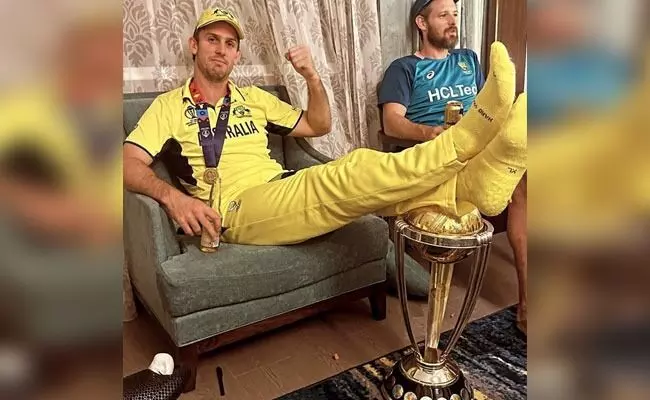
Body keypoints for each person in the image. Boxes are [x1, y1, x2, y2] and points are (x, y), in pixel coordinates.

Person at [123, 8, 526, 264]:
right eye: (212, 39)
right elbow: (126, 162)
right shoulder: (168, 106)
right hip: (233, 209)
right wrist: (174, 198)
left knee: (377, 190)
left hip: (280, 186)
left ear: (237, 54)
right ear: (194, 45)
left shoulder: (253, 99)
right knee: (352, 168)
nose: (221, 50)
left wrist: (312, 77)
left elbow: (318, 126)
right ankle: (462, 142)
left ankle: (469, 187)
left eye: (230, 43)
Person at [378, 0, 527, 334]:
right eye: (443, 15)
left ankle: (532, 297)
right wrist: (432, 133)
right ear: (421, 23)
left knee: (525, 183)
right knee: (516, 185)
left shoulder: (468, 60)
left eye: (456, 15)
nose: (453, 21)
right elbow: (391, 123)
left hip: (480, 146)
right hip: (439, 151)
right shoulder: (404, 68)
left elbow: (489, 108)